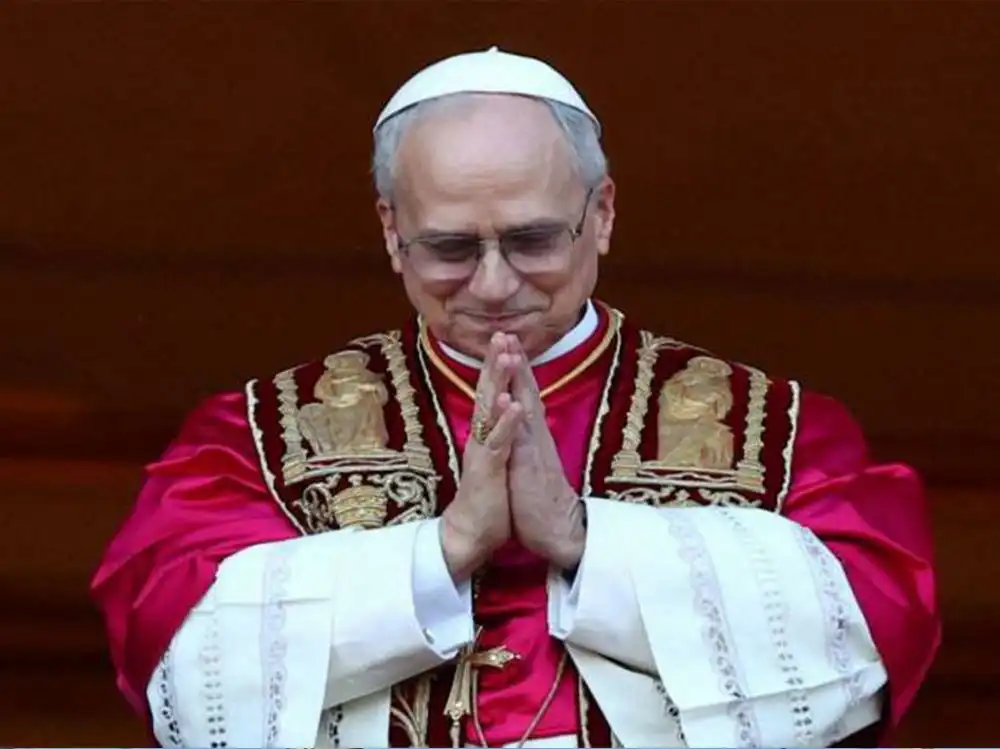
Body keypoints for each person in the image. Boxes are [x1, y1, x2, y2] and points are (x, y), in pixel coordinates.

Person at [90, 47, 941, 749]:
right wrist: (443, 550)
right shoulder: (259, 437)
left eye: (533, 240)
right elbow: (177, 653)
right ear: (391, 231)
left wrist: (581, 538)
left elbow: (871, 629)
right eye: (450, 248)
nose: (495, 285)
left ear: (601, 214)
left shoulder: (774, 431)